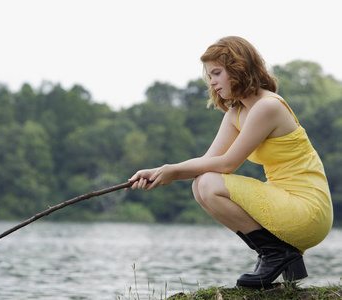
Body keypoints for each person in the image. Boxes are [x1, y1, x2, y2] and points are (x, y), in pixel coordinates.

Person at [127, 36, 333, 287]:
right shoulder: (237, 112)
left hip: (308, 210)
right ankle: (276, 254)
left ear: (238, 69)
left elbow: (226, 165)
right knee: (201, 184)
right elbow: (208, 161)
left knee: (208, 184)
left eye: (216, 73)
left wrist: (173, 170)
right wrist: (159, 173)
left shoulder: (268, 106)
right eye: (209, 76)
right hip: (285, 201)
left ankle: (277, 254)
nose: (211, 82)